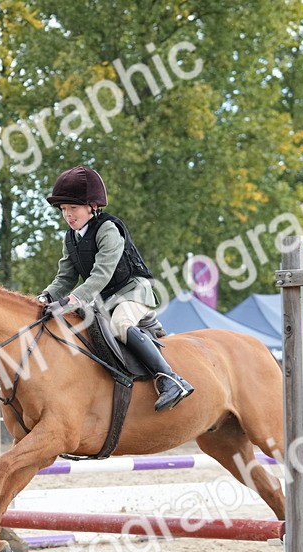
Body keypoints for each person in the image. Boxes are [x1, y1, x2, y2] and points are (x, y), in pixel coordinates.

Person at [37, 165, 193, 411]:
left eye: (73, 208)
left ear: (92, 206)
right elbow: (65, 278)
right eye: (64, 209)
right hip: (104, 299)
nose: (68, 215)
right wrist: (45, 297)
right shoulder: (70, 238)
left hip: (133, 290)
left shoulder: (108, 229)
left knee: (120, 324)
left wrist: (70, 300)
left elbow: (101, 275)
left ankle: (171, 379)